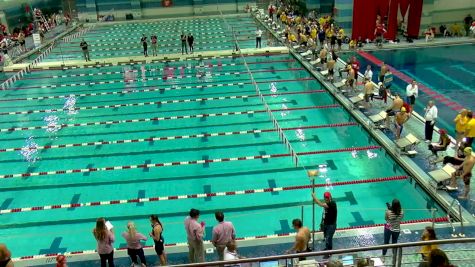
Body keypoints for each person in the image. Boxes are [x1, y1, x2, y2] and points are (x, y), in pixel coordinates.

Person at [311, 191, 337, 258]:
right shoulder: (327, 203)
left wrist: (314, 196)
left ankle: (329, 252)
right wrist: (314, 200)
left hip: (331, 225)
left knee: (329, 238)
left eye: (327, 197)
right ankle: (327, 248)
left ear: (330, 197)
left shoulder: (332, 204)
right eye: (325, 197)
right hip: (326, 224)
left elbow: (320, 204)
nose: (326, 199)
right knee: (326, 238)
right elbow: (320, 204)